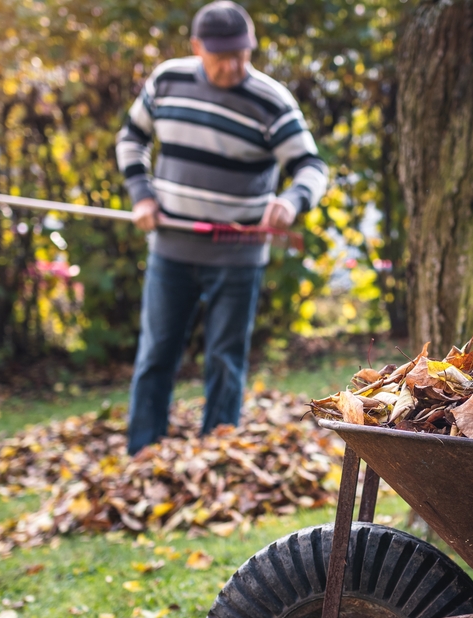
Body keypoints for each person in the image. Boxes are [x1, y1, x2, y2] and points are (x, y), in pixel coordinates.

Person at [115, 0, 328, 454]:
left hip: (237, 254)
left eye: (242, 55)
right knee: (156, 356)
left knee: (225, 361)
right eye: (221, 56)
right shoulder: (167, 80)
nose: (233, 66)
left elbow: (311, 166)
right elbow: (131, 138)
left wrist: (292, 200)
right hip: (171, 248)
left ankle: (217, 456)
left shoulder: (271, 100)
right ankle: (142, 453)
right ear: (197, 48)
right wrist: (142, 195)